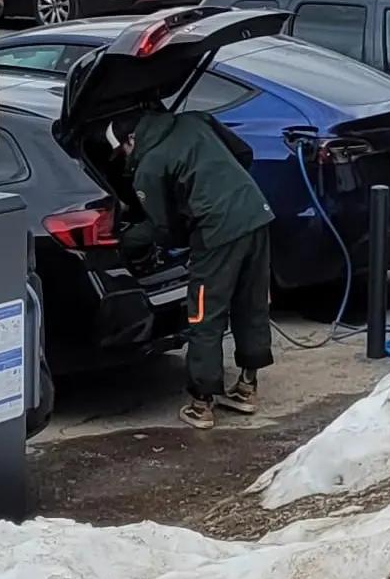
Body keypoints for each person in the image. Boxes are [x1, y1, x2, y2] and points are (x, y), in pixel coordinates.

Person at [110, 108, 274, 430]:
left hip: (217, 232)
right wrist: (225, 189)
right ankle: (246, 388)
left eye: (123, 150)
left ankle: (202, 405)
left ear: (132, 138)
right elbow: (243, 151)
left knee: (204, 314)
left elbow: (162, 228)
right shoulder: (193, 120)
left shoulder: (149, 166)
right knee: (251, 302)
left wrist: (125, 239)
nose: (125, 158)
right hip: (255, 212)